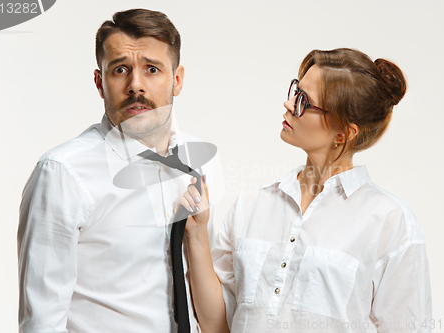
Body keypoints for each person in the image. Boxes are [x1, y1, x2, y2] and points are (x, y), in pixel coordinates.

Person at [180, 48, 431, 332]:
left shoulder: (389, 221)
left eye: (304, 101)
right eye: (295, 90)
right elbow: (215, 324)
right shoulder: (252, 204)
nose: (288, 104)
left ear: (344, 133)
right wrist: (198, 233)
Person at [17, 8, 220, 333]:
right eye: (120, 69)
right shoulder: (63, 173)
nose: (135, 85)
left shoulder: (198, 162)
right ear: (99, 82)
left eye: (152, 69)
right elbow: (41, 321)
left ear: (177, 79)